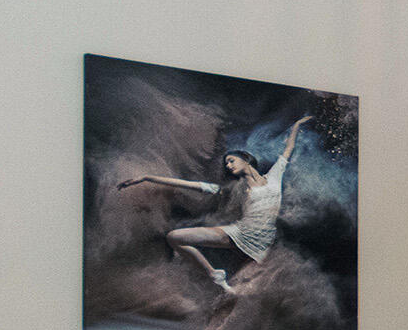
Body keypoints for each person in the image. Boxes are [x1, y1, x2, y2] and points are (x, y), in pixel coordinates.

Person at [118, 114, 314, 298]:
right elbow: (186, 184)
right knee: (175, 237)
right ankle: (214, 274)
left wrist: (296, 125)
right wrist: (146, 177)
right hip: (239, 233)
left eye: (231, 160)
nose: (228, 165)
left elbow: (288, 148)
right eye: (226, 163)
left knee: (245, 293)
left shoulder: (273, 177)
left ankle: (225, 319)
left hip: (262, 241)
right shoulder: (230, 188)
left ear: (245, 159)